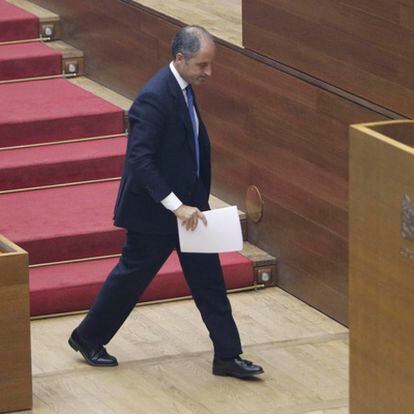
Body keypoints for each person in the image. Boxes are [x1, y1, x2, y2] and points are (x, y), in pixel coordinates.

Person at [68, 25, 263, 379]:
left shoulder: (184, 89)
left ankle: (227, 356)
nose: (209, 72)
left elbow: (187, 153)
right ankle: (87, 337)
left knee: (210, 284)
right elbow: (140, 161)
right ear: (180, 58)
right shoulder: (154, 97)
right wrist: (177, 206)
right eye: (203, 65)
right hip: (156, 216)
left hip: (191, 212)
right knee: (131, 280)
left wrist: (195, 203)